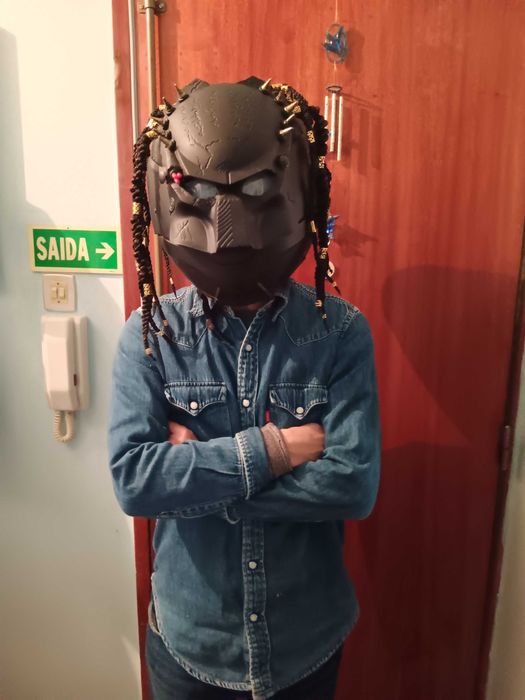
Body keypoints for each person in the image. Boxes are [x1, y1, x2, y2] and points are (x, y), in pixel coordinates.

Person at [108, 77, 381, 700]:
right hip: (191, 645)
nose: (227, 230)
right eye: (200, 193)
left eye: (256, 190)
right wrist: (279, 450)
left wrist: (199, 481)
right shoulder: (151, 336)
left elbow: (353, 484)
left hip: (304, 642)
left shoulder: (340, 333)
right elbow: (136, 482)